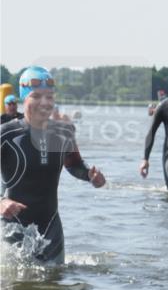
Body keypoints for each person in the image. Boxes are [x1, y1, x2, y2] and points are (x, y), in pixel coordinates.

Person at [1, 67, 106, 263]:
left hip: (51, 226)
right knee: (14, 289)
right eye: (36, 96)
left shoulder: (63, 132)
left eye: (49, 97)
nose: (44, 102)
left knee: (55, 286)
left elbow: (74, 164)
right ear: (24, 99)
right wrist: (1, 202)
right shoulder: (6, 134)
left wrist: (89, 175)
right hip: (12, 227)